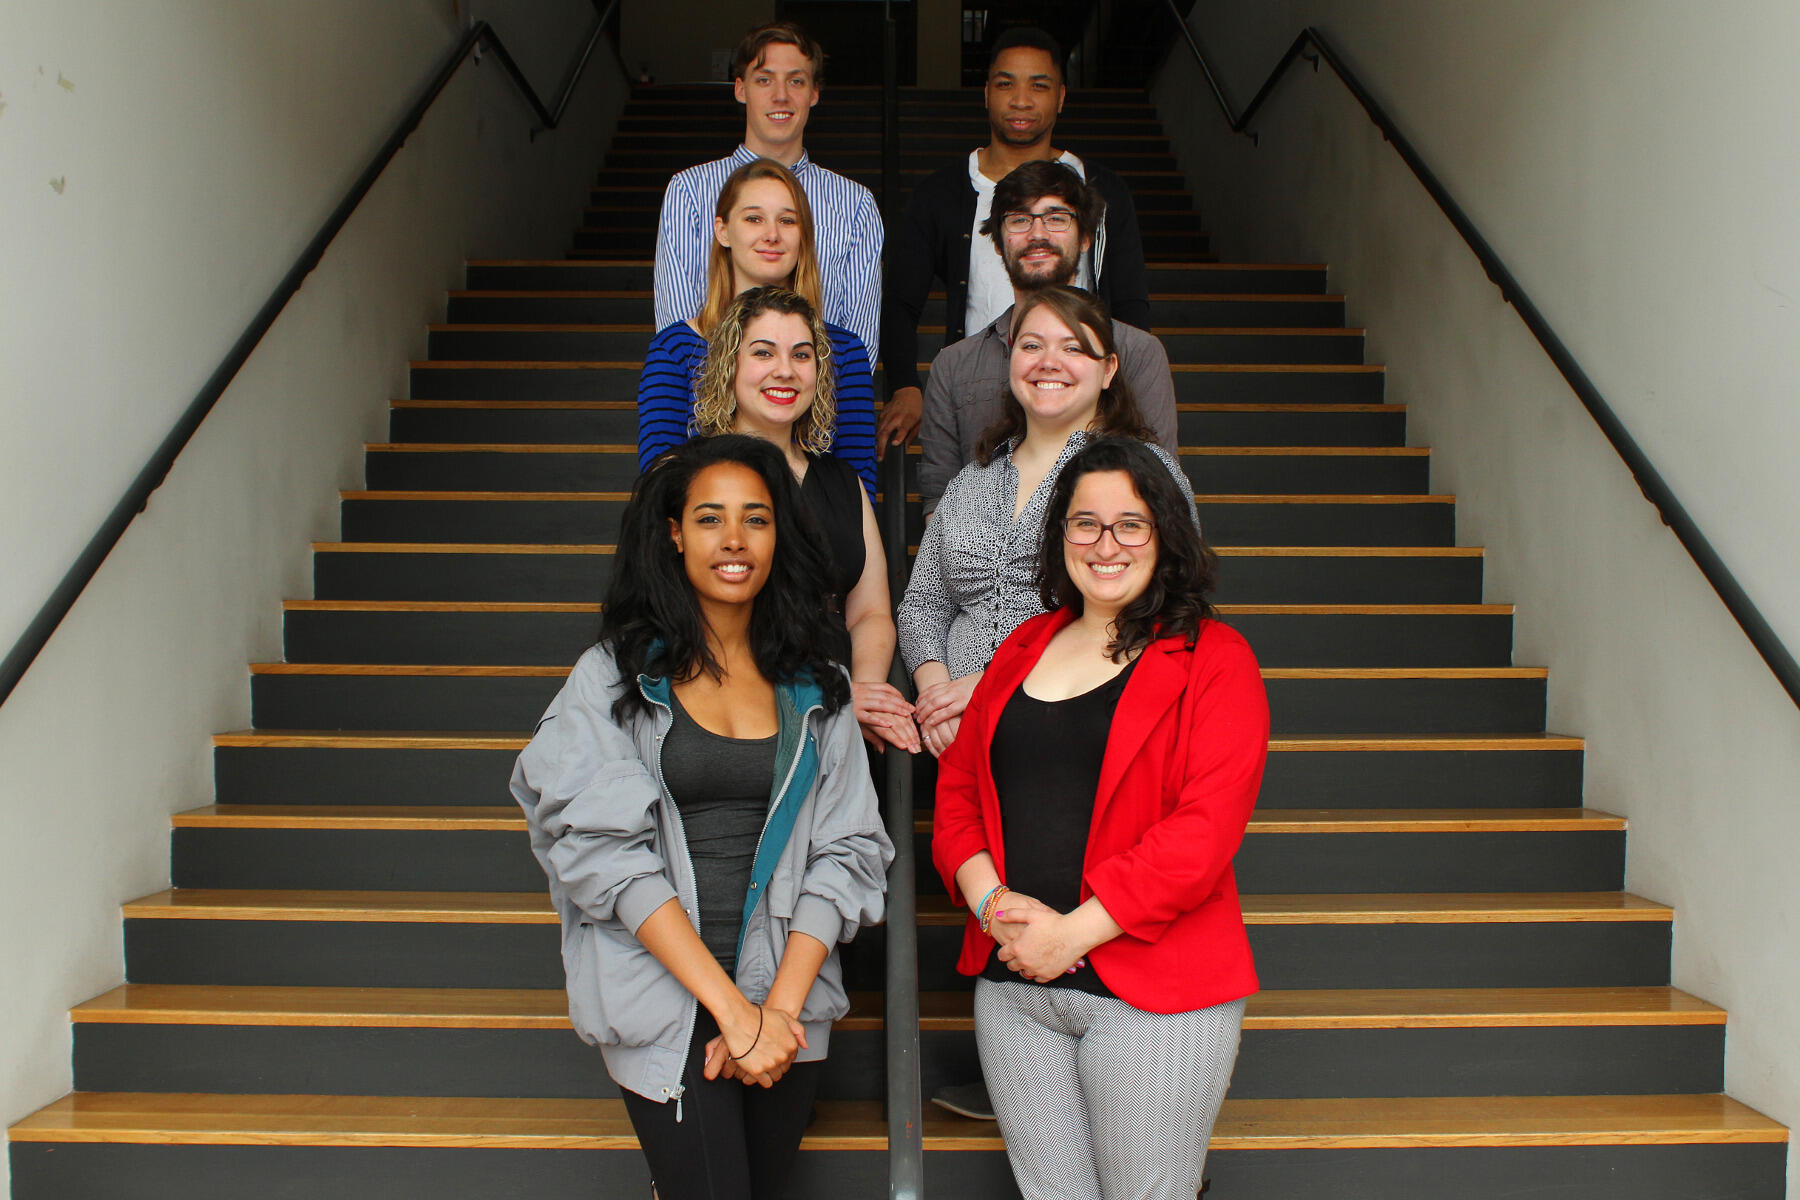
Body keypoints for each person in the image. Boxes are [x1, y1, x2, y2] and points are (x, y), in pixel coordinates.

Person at [511, 435, 894, 1200]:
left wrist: (775, 1014)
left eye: (756, 518)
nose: (734, 539)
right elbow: (603, 853)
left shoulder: (820, 686)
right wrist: (731, 1013)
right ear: (675, 534)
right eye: (710, 518)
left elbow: (848, 851)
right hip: (664, 997)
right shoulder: (612, 677)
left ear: (779, 536)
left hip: (787, 1003)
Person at [932, 435, 1269, 1200]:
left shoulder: (1215, 659)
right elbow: (958, 793)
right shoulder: (1023, 645)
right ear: (1061, 536)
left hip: (1155, 991)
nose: (1105, 544)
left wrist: (1068, 936)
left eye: (1130, 524)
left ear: (1166, 535)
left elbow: (1201, 835)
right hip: (1016, 989)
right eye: (1085, 523)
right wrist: (991, 905)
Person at [896, 285, 1194, 760]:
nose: (1048, 362)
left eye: (1072, 348)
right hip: (957, 740)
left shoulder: (1143, 472)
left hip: (1082, 729)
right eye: (1032, 345)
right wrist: (938, 700)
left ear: (1108, 369)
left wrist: (993, 686)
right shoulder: (972, 479)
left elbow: (1164, 607)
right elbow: (923, 605)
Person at [878, 26, 1149, 447]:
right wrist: (905, 385)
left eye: (1038, 86)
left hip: (1079, 390)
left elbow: (1130, 303)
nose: (1021, 100)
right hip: (978, 389)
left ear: (1061, 97)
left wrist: (1123, 388)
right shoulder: (941, 192)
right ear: (986, 93)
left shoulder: (1101, 189)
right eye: (1006, 84)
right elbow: (900, 301)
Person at [691, 286, 918, 753]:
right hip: (725, 707)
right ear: (730, 365)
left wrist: (862, 690)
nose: (785, 370)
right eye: (763, 352)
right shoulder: (685, 477)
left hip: (840, 709)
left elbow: (871, 611)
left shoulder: (843, 482)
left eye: (801, 354)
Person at [916, 160, 1177, 512]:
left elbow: (1162, 490)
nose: (1037, 234)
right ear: (998, 242)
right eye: (1019, 219)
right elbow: (939, 502)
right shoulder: (953, 365)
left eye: (1056, 218)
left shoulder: (1137, 351)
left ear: (1085, 237)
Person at [638, 158, 877, 498]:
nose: (772, 234)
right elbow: (657, 488)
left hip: (819, 528)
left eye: (787, 220)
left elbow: (856, 493)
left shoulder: (844, 351)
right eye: (754, 218)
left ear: (804, 235)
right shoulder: (676, 347)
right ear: (723, 230)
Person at [654, 21, 882, 360]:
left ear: (814, 93)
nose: (781, 95)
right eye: (764, 79)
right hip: (707, 393)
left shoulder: (855, 204)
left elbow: (859, 348)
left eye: (796, 81)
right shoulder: (688, 191)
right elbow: (677, 340)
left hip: (821, 393)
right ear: (740, 89)